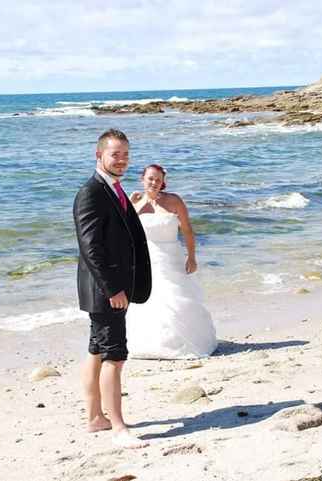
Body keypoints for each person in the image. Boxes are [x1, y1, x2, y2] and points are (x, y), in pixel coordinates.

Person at [72, 129, 152, 449]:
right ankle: (119, 427)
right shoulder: (91, 192)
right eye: (115, 154)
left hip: (109, 288)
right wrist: (112, 289)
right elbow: (91, 248)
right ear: (99, 155)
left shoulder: (114, 190)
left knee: (97, 351)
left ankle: (95, 418)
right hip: (106, 291)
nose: (121, 160)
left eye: (126, 155)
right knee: (114, 356)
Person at [126, 164, 217, 359]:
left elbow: (187, 230)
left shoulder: (174, 201)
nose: (154, 183)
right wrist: (133, 205)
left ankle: (183, 343)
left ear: (163, 182)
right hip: (146, 259)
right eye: (150, 178)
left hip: (171, 257)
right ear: (142, 179)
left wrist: (191, 256)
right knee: (148, 299)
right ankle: (150, 343)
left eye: (158, 180)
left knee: (176, 296)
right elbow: (124, 232)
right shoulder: (135, 203)